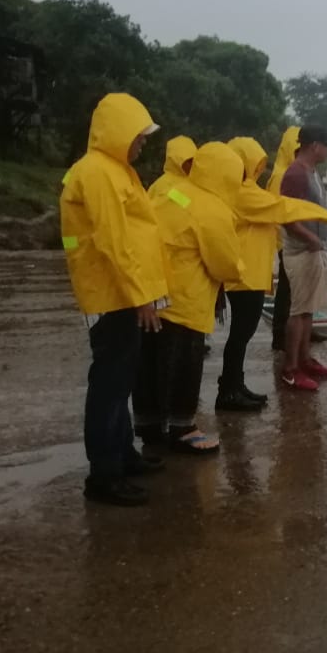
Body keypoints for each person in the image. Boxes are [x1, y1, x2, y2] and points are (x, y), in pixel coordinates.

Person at [59, 92, 168, 507]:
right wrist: (141, 296)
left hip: (122, 293)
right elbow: (113, 241)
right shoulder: (98, 173)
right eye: (139, 136)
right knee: (108, 384)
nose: (143, 144)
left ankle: (123, 455)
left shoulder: (118, 171)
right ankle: (103, 475)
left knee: (121, 381)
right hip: (112, 295)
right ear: (119, 132)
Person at [132, 141, 249, 453]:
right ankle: (182, 428)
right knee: (183, 366)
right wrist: (241, 267)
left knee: (151, 366)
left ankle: (149, 425)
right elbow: (223, 264)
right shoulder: (213, 209)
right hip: (186, 302)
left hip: (154, 295)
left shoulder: (172, 191)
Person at [219, 137, 327, 408]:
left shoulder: (244, 189)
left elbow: (277, 207)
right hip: (242, 274)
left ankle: (234, 385)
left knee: (243, 333)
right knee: (241, 334)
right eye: (255, 163)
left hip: (250, 272)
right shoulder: (242, 192)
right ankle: (229, 389)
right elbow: (282, 207)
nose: (260, 168)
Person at [278, 124, 327, 391]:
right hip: (302, 250)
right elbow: (288, 217)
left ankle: (305, 359)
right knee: (298, 311)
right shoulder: (295, 174)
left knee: (308, 311)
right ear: (314, 145)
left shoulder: (313, 172)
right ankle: (290, 369)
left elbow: (312, 209)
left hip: (316, 250)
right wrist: (311, 239)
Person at [267, 126, 299, 351]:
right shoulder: (281, 175)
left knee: (294, 292)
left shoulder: (290, 172)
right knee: (287, 293)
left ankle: (291, 332)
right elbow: (283, 212)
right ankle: (280, 336)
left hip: (291, 240)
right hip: (286, 241)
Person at [147, 134, 196, 201]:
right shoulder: (164, 185)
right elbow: (186, 204)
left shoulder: (196, 180)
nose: (192, 164)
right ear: (175, 161)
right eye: (188, 161)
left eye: (194, 160)